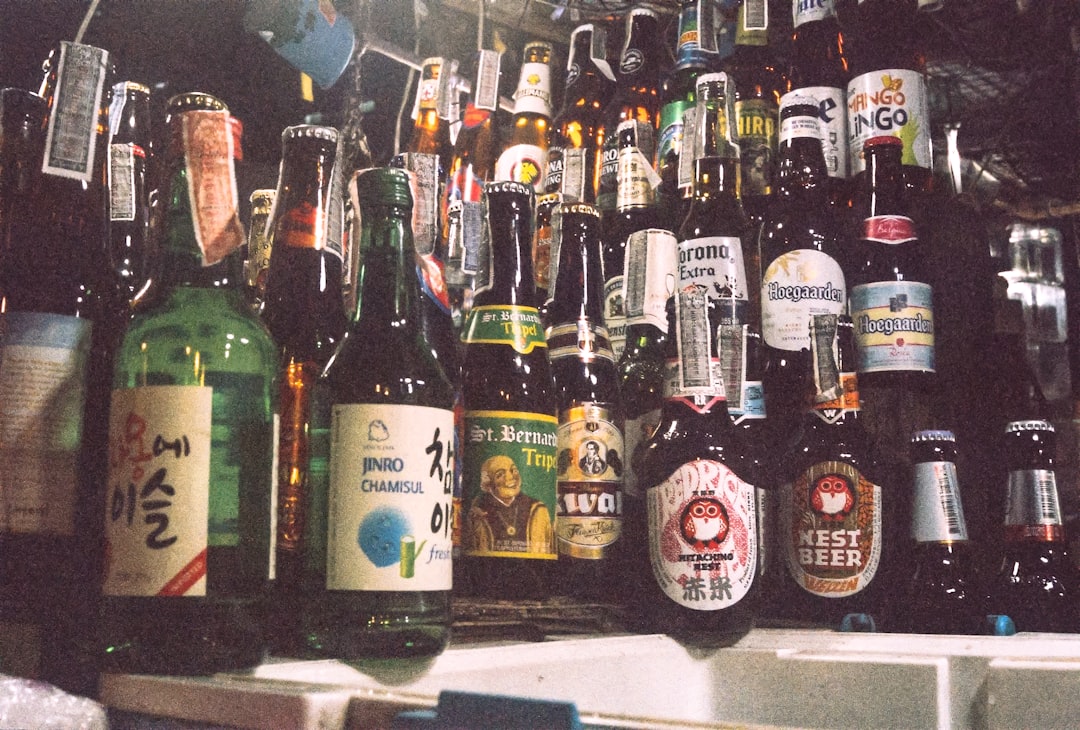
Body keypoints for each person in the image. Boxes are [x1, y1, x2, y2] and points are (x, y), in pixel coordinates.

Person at [466, 454, 554, 555]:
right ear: (488, 484)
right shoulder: (477, 514)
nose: (510, 477)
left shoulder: (537, 510)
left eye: (514, 470)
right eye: (500, 475)